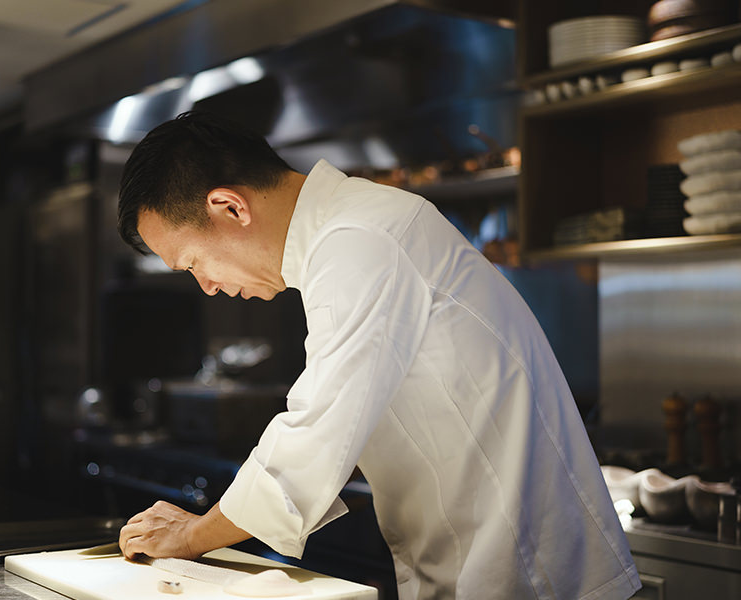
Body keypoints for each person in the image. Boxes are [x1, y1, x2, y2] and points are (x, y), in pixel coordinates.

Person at [116, 111, 641, 599]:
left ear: (230, 207)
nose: (206, 286)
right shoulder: (347, 232)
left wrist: (191, 535)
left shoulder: (359, 240)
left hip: (528, 576)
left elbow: (314, 436)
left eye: (191, 264)